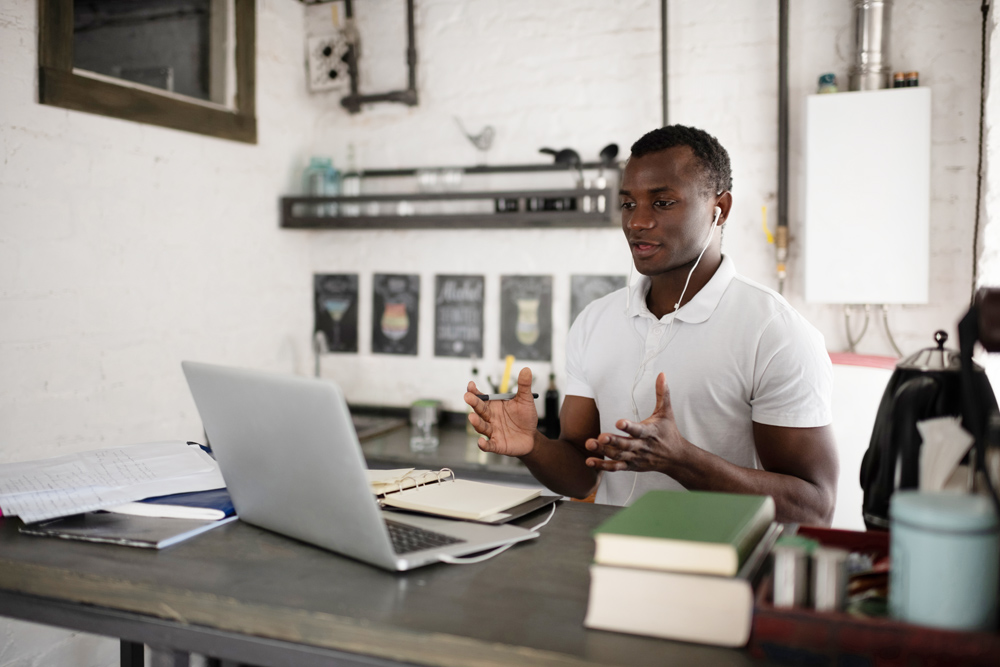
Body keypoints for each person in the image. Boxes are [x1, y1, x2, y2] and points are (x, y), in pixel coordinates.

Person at [464, 125, 838, 526]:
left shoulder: (775, 332)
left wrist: (682, 460)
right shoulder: (596, 321)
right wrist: (532, 445)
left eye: (662, 203)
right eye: (628, 204)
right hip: (615, 562)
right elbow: (582, 472)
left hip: (726, 575)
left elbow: (814, 506)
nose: (637, 222)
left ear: (720, 208)